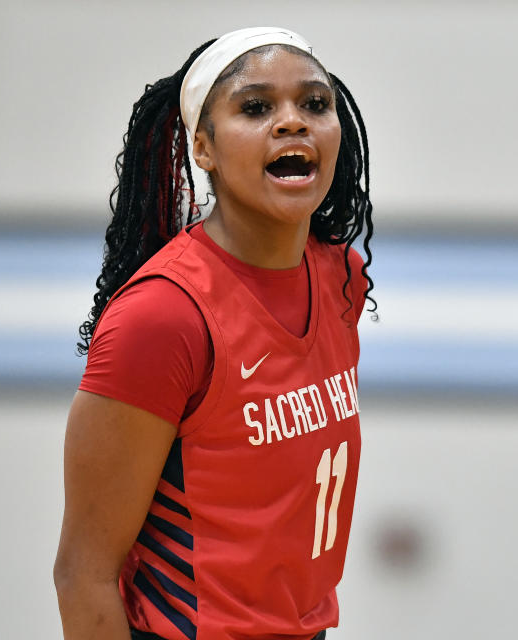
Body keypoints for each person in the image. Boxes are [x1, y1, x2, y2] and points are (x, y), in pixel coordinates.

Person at [53, 27, 376, 640]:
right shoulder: (163, 316)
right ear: (202, 148)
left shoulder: (341, 276)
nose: (292, 123)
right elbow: (83, 574)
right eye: (256, 108)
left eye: (315, 104)